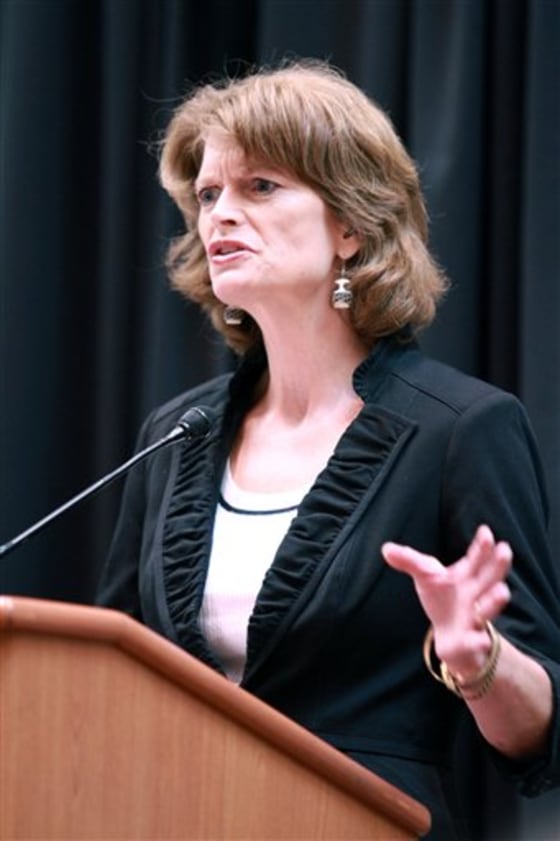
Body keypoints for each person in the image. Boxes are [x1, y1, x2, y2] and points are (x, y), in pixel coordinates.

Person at [96, 59, 560, 838]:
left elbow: (540, 731)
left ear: (349, 225)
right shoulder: (176, 435)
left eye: (260, 188)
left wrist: (475, 657)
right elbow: (108, 676)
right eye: (208, 195)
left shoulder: (461, 429)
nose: (220, 216)